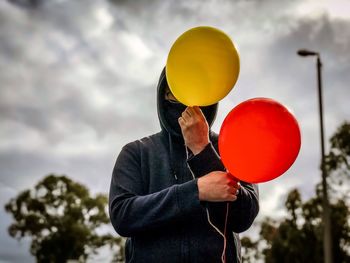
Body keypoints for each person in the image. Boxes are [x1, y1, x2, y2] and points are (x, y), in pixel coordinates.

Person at [109, 68, 259, 263]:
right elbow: (123, 216)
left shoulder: (233, 149)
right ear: (162, 95)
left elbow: (243, 217)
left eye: (195, 94)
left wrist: (202, 150)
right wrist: (194, 192)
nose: (185, 104)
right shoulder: (136, 152)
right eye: (174, 93)